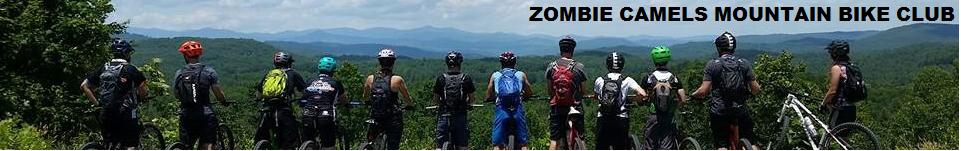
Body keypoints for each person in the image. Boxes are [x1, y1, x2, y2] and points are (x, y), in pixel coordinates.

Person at [691, 32, 761, 150]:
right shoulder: (744, 63)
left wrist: (693, 95)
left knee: (721, 144)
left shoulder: (713, 65)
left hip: (719, 110)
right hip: (740, 109)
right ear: (734, 47)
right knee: (750, 141)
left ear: (718, 48)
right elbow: (755, 89)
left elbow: (703, 91)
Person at [80, 39, 148, 149]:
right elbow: (142, 89)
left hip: (105, 112)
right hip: (126, 113)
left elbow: (84, 85)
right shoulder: (130, 69)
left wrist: (97, 104)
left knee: (110, 143)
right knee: (131, 145)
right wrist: (141, 98)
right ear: (126, 54)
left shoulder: (104, 68)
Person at [172, 40, 230, 149]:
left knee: (185, 146)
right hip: (205, 114)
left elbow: (176, 94)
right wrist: (223, 101)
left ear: (185, 56)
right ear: (199, 54)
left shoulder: (179, 73)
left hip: (186, 114)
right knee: (207, 144)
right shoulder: (209, 71)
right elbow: (218, 93)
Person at [592, 51, 648, 149]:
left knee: (601, 146)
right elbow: (643, 94)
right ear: (622, 65)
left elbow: (596, 96)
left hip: (603, 117)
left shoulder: (600, 80)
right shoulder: (627, 80)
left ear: (607, 65)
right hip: (621, 118)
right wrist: (634, 100)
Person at [363, 48, 415, 150]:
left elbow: (365, 96)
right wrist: (410, 106)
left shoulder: (370, 78)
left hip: (376, 116)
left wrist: (368, 102)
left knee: (370, 139)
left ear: (380, 62)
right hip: (392, 118)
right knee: (393, 145)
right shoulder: (397, 79)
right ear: (393, 63)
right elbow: (407, 99)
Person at [253, 51, 307, 149]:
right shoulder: (293, 74)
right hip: (284, 111)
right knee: (289, 142)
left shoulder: (269, 74)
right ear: (289, 63)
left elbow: (258, 95)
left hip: (267, 111)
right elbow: (305, 92)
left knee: (261, 139)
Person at [545, 35, 589, 150]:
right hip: (575, 107)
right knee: (581, 137)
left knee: (554, 140)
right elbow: (583, 91)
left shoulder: (551, 66)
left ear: (560, 49)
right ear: (573, 50)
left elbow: (550, 91)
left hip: (557, 107)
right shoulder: (579, 67)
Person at [638, 46, 687, 149]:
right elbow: (683, 99)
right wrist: (674, 106)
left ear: (654, 60)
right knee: (667, 145)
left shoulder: (648, 78)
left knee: (650, 144)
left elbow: (641, 97)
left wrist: (641, 102)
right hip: (668, 117)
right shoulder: (675, 79)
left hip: (654, 116)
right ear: (667, 59)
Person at [486, 51, 533, 150]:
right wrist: (526, 97)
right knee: (523, 144)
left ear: (501, 63)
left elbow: (489, 94)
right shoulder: (521, 74)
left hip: (501, 109)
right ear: (514, 63)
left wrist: (489, 99)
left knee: (497, 145)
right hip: (517, 109)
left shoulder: (495, 75)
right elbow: (529, 92)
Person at [299, 56, 348, 150]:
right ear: (333, 70)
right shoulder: (336, 82)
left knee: (308, 141)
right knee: (328, 145)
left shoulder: (310, 80)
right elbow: (343, 99)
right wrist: (346, 105)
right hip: (326, 115)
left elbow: (304, 98)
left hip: (308, 114)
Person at [431, 51, 476, 150]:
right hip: (460, 115)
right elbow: (472, 99)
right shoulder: (466, 78)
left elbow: (435, 99)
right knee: (462, 146)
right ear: (460, 63)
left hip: (444, 115)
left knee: (439, 145)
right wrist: (467, 104)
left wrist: (441, 105)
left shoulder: (441, 78)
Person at [821, 40, 862, 128]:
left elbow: (832, 91)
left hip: (840, 109)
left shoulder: (837, 68)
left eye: (831, 52)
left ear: (835, 54)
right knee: (843, 138)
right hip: (851, 108)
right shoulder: (849, 66)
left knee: (831, 134)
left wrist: (823, 103)